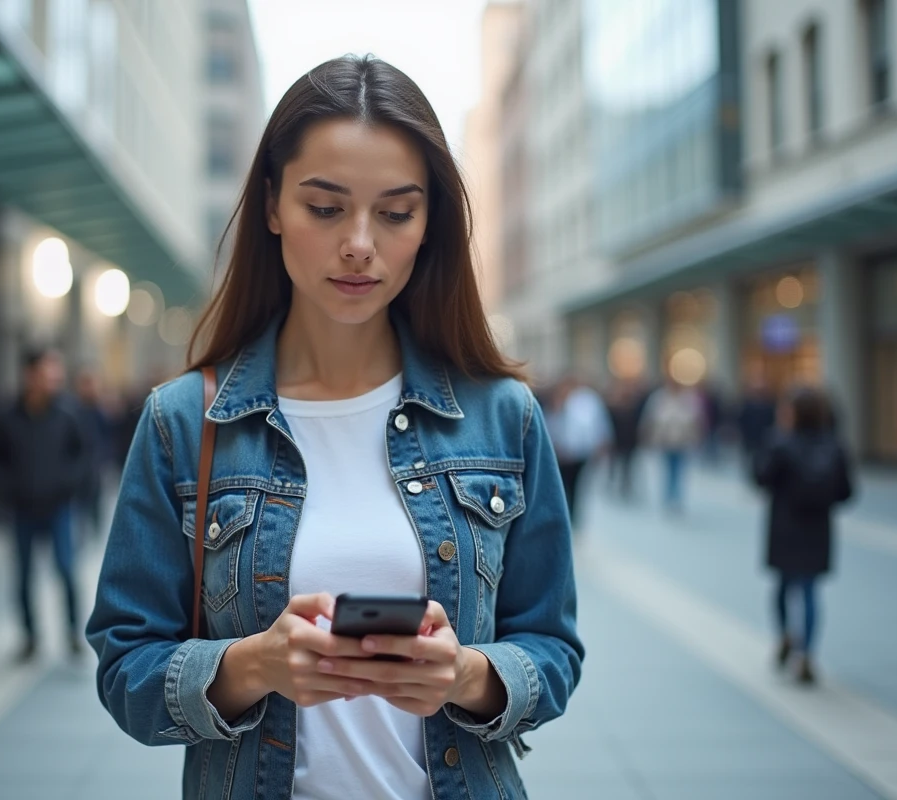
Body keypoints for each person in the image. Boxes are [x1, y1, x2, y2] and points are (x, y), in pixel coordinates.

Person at [86, 55, 584, 800]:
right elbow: (125, 667)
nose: (360, 243)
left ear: (429, 224)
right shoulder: (183, 422)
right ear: (272, 206)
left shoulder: (502, 416)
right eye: (325, 208)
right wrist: (254, 664)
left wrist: (467, 675)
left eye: (395, 212)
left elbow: (553, 649)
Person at [0, 347, 89, 662]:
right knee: (23, 576)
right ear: (30, 375)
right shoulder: (7, 416)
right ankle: (30, 636)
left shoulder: (68, 414)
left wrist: (67, 484)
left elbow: (83, 455)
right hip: (22, 509)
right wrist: (8, 490)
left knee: (66, 570)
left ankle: (73, 633)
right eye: (48, 372)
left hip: (58, 507)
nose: (55, 379)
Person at [754, 388, 853, 685]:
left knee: (784, 586)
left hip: (785, 526)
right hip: (817, 528)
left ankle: (786, 634)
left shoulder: (780, 442)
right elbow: (846, 491)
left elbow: (760, 477)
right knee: (810, 591)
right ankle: (807, 653)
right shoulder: (834, 445)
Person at [546, 375, 612, 529]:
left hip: (579, 453)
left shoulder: (586, 401)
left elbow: (597, 424)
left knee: (576, 487)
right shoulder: (554, 401)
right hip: (559, 453)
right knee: (560, 487)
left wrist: (601, 444)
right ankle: (562, 516)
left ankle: (573, 518)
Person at [640, 376, 704, 514]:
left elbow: (696, 419)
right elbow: (651, 418)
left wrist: (695, 436)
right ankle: (668, 498)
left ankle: (677, 498)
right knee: (667, 470)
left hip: (682, 440)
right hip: (665, 440)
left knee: (679, 470)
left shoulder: (687, 398)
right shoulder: (659, 397)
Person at [73, 368, 113, 540]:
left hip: (96, 464)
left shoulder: (100, 410)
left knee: (97, 500)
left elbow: (108, 435)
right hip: (78, 465)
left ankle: (96, 531)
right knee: (80, 505)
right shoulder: (73, 410)